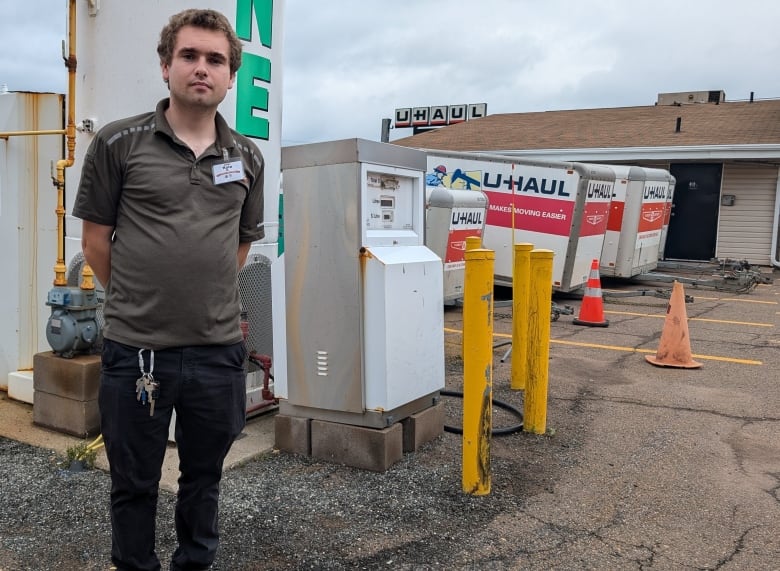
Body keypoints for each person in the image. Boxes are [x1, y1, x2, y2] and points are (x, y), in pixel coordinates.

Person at [73, 9, 264, 571]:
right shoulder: (118, 143)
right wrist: (139, 302)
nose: (201, 68)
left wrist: (201, 300)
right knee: (134, 484)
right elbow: (95, 242)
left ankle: (194, 564)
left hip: (217, 353)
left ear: (230, 76)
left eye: (215, 59)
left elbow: (239, 247)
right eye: (189, 56)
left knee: (203, 480)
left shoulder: (246, 157)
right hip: (137, 353)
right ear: (165, 66)